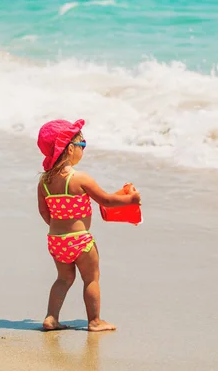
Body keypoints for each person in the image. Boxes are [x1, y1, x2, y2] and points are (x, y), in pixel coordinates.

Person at [36, 119, 141, 332]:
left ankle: (51, 318)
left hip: (56, 241)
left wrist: (60, 228)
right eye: (82, 145)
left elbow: (44, 212)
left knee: (63, 279)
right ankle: (94, 321)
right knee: (91, 278)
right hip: (81, 240)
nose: (83, 149)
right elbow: (107, 201)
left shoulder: (44, 182)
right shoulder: (80, 179)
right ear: (70, 149)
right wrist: (131, 200)